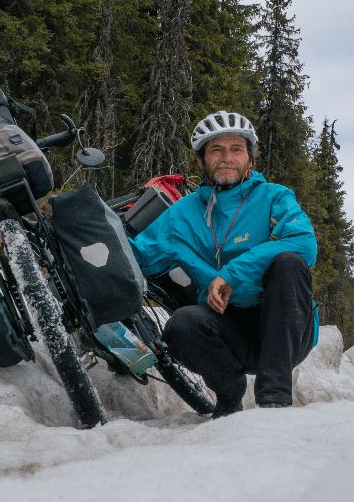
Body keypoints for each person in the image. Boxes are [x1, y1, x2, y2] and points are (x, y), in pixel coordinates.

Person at [129, 111, 318, 418]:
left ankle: (275, 401)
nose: (227, 157)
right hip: (227, 333)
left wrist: (231, 274)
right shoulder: (181, 214)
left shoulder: (274, 196)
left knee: (289, 263)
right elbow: (137, 259)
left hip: (286, 328)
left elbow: (304, 244)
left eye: (236, 149)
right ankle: (229, 398)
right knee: (181, 324)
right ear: (201, 162)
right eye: (216, 150)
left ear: (250, 159)